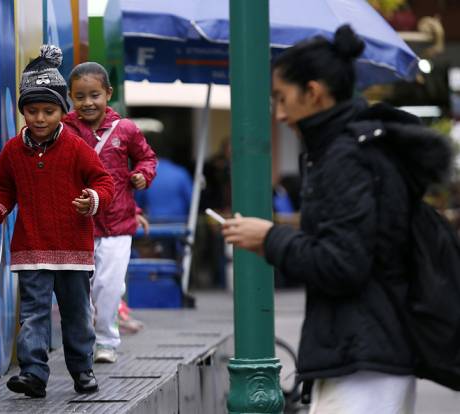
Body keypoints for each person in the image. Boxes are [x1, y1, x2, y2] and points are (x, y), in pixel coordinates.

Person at [222, 25, 451, 414]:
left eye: (281, 98)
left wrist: (270, 239)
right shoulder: (350, 148)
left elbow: (344, 261)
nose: (277, 114)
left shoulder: (345, 156)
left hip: (364, 356)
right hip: (368, 351)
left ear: (313, 92)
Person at [0, 45, 114, 398]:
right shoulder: (11, 150)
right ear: (22, 111)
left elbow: (103, 181)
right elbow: (4, 187)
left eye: (49, 111)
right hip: (32, 248)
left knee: (77, 314)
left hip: (72, 248)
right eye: (32, 110)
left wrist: (92, 200)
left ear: (62, 112)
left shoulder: (76, 147)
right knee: (33, 314)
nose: (40, 118)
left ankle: (82, 370)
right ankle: (33, 374)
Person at [64, 62, 157, 363]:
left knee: (110, 285)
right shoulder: (63, 129)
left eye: (95, 95)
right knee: (83, 287)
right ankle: (85, 338)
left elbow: (147, 158)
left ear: (108, 94)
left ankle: (106, 342)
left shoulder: (126, 130)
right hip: (79, 222)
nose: (88, 103)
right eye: (80, 96)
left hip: (118, 223)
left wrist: (143, 175)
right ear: (70, 96)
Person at [135, 156, 192, 223]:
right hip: (179, 225)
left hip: (153, 224)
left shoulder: (146, 174)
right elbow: (191, 200)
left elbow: (137, 202)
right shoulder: (181, 173)